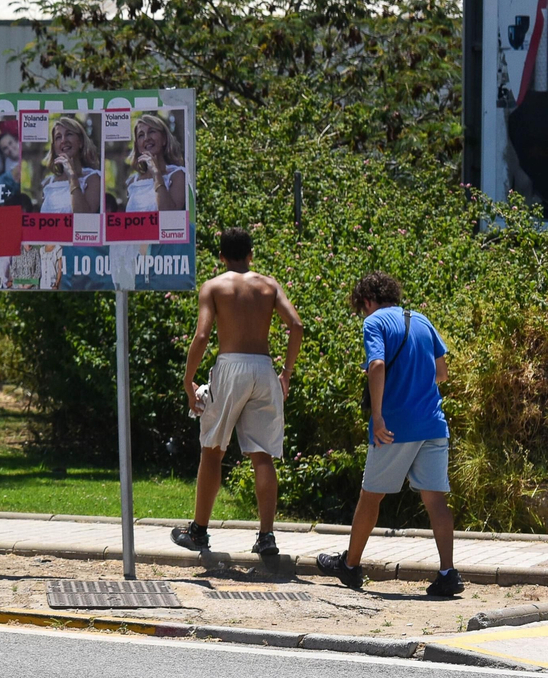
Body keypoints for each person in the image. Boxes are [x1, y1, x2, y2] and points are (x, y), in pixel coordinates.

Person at [318, 273, 464, 595]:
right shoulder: (422, 321)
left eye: (361, 307)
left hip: (395, 427)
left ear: (367, 300)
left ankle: (350, 566)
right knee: (435, 500)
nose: (363, 313)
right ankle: (448, 573)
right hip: (433, 423)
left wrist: (377, 415)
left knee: (371, 495)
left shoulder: (375, 323)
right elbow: (442, 373)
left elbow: (377, 366)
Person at [172, 228, 303, 555]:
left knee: (212, 449)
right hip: (263, 368)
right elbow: (296, 325)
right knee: (262, 455)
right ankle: (266, 536)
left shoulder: (214, 287)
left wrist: (188, 381)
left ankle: (199, 531)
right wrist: (286, 373)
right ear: (250, 254)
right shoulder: (269, 285)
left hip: (231, 367)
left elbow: (202, 336)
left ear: (221, 257)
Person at [125, 112, 187, 212]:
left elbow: (168, 213)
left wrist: (156, 174)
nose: (146, 138)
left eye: (152, 131)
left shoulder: (177, 175)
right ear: (138, 146)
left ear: (164, 139)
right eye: (141, 135)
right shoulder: (133, 181)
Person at [39, 115, 101, 214]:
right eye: (58, 137)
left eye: (69, 134)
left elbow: (83, 216)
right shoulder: (48, 182)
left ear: (80, 142)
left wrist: (72, 177)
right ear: (54, 147)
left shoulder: (93, 178)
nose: (63, 140)